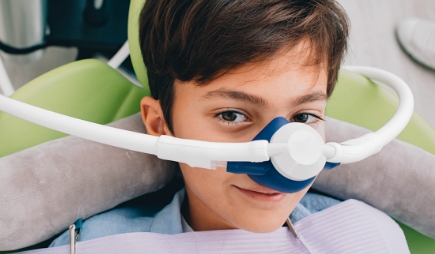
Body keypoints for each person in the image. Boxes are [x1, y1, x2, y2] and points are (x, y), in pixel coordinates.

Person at [49, 0, 405, 247]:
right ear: (159, 124)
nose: (280, 160)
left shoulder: (367, 236)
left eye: (303, 117)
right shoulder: (95, 245)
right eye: (232, 115)